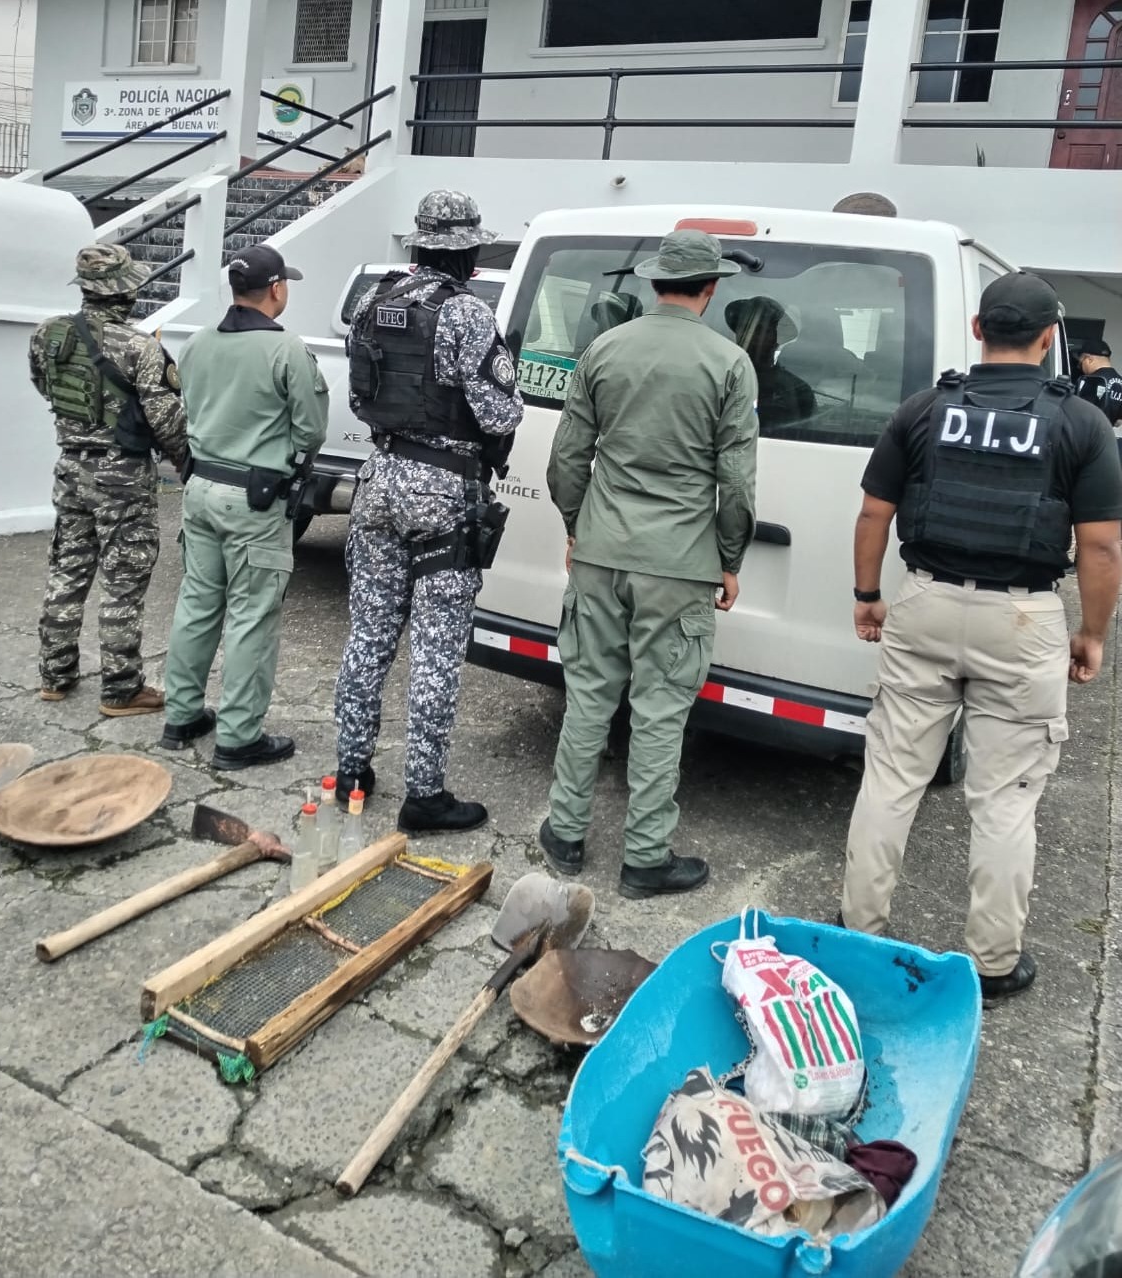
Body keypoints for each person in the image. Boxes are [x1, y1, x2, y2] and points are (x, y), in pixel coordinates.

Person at [841, 272, 1122, 1001]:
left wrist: (868, 596)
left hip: (925, 603)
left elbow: (874, 514)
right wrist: (1092, 634)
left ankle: (857, 932)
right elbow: (1101, 547)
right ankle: (993, 963)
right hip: (1023, 620)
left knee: (891, 778)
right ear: (1048, 337)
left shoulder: (924, 408)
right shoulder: (1081, 423)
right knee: (1005, 800)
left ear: (977, 329)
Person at [539, 229, 759, 899]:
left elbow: (567, 459)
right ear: (711, 287)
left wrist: (577, 527)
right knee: (660, 709)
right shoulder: (729, 363)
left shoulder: (604, 350)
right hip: (680, 561)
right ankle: (644, 859)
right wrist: (729, 557)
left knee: (587, 695)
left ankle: (565, 835)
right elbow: (736, 481)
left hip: (601, 550)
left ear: (655, 281)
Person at [333, 189, 523, 834]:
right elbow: (500, 414)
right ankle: (424, 795)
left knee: (368, 635)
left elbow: (360, 397)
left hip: (379, 478)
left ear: (419, 245)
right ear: (466, 253)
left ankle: (351, 772)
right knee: (436, 648)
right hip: (441, 490)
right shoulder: (466, 312)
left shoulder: (373, 300)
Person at [160, 244, 328, 771]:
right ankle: (238, 737)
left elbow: (188, 409)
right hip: (254, 500)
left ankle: (181, 715)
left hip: (200, 490)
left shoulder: (197, 343)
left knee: (197, 603)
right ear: (276, 289)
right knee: (252, 615)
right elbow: (311, 430)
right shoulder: (286, 350)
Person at [29, 244, 187, 716]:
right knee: (123, 581)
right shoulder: (141, 347)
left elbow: (42, 384)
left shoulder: (47, 334)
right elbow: (166, 420)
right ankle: (121, 688)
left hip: (70, 468)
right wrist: (184, 460)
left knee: (67, 569)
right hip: (122, 475)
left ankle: (55, 675)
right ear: (126, 290)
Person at [724, 296, 816, 432]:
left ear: (776, 337)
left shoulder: (797, 392)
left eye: (761, 329)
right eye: (744, 327)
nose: (751, 335)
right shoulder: (719, 381)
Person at [1074, 338, 1122, 458]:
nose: (1080, 367)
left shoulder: (1088, 381)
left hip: (1085, 441)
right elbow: (1118, 422)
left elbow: (1078, 414)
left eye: (1080, 363)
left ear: (1089, 359)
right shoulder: (1120, 382)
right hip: (1108, 442)